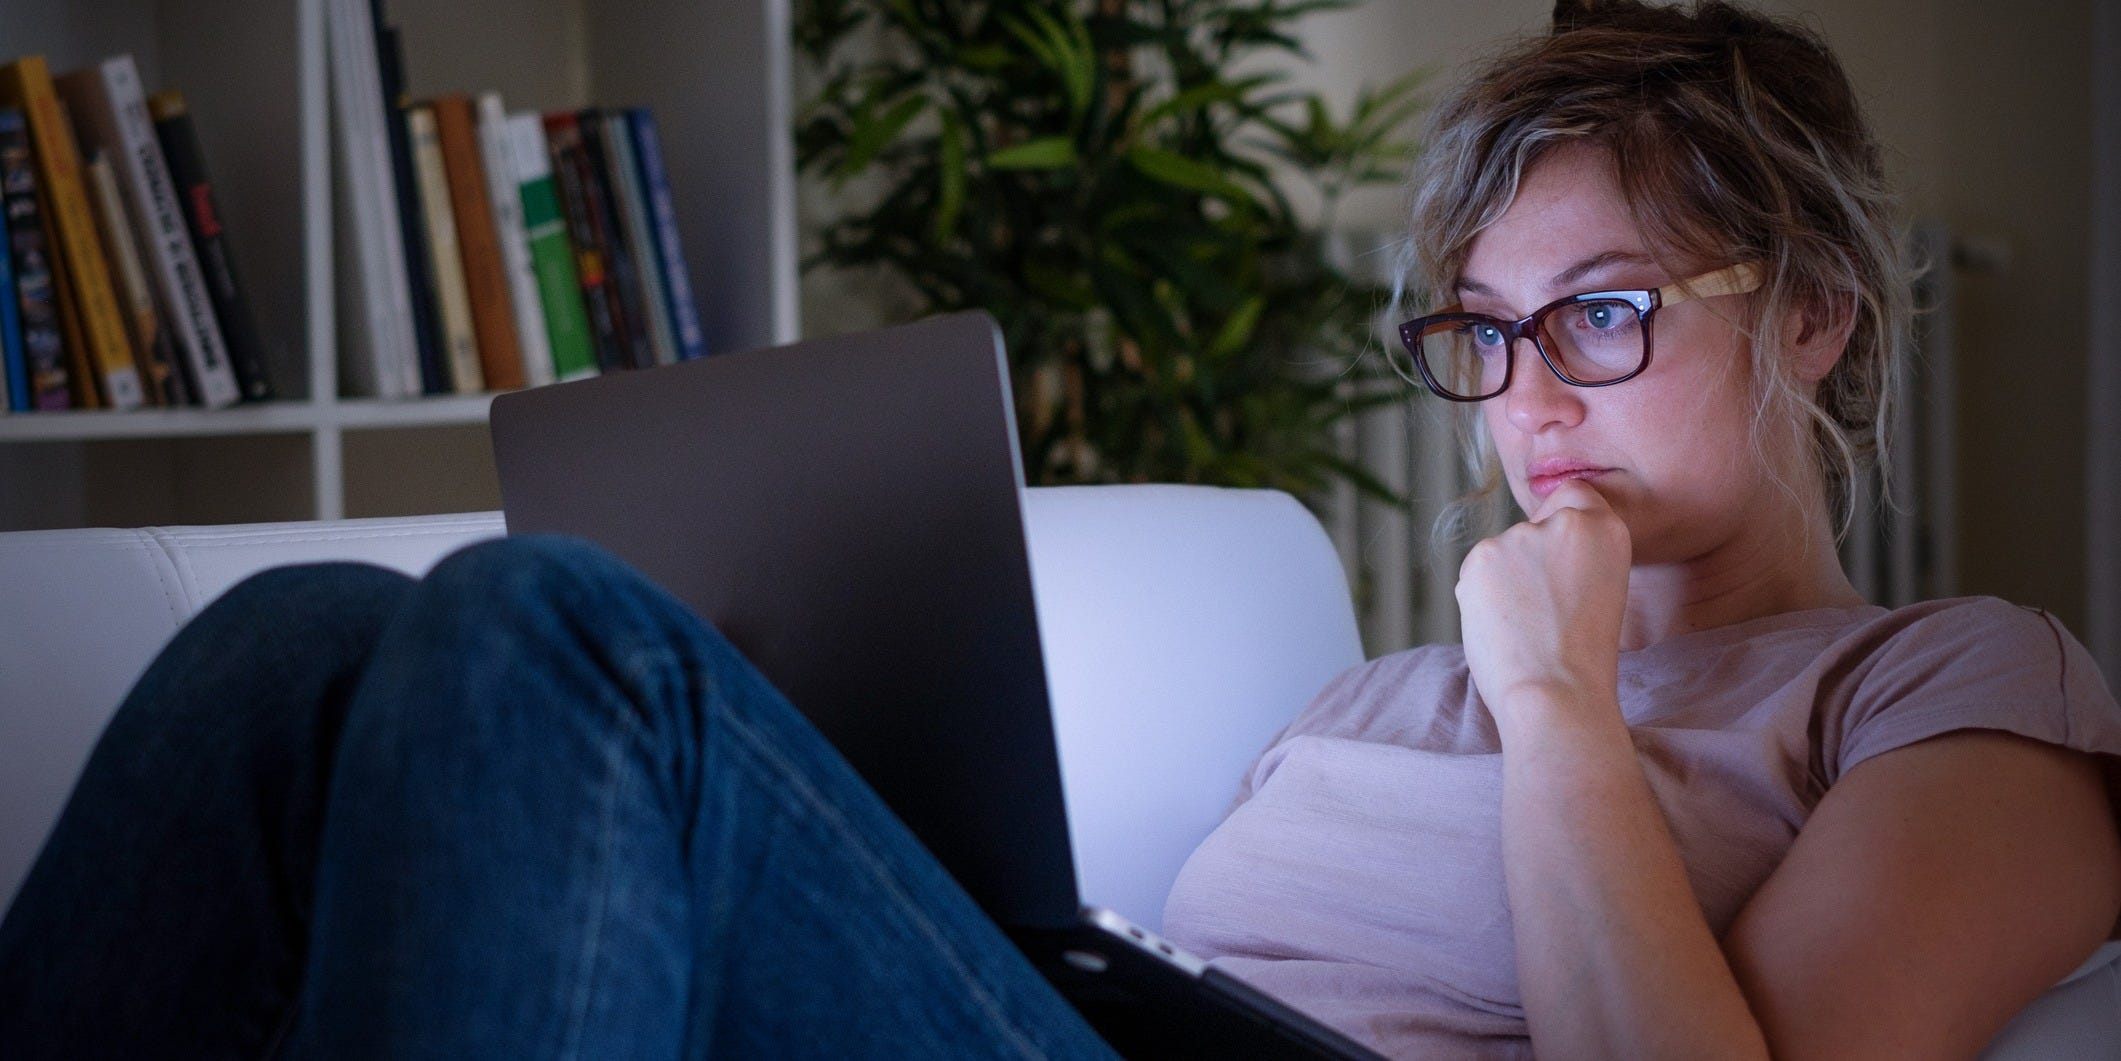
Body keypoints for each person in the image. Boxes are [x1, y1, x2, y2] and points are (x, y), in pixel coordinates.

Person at [2, 1, 2117, 1058]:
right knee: (298, 642)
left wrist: (1555, 698)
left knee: (560, 634)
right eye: (1478, 330)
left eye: (1602, 311)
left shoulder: (1948, 684)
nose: (1528, 393)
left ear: (1818, 314)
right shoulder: (1368, 687)